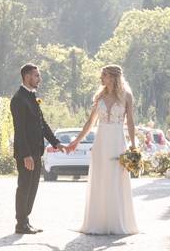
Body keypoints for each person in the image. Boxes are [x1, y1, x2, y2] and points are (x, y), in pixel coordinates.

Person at [66, 64, 139, 235]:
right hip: (101, 142)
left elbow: (131, 123)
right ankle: (98, 223)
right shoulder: (99, 97)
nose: (101, 78)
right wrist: (76, 141)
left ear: (113, 77)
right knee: (100, 178)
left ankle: (117, 223)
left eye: (104, 75)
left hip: (117, 141)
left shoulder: (126, 96)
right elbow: (90, 122)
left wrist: (134, 146)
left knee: (116, 179)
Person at [10, 63, 64, 235]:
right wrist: (26, 155)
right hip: (26, 154)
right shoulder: (19, 99)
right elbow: (19, 129)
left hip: (36, 151)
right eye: (36, 76)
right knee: (25, 186)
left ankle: (26, 221)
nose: (39, 79)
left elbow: (42, 125)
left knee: (33, 187)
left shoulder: (32, 97)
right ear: (27, 77)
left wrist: (56, 142)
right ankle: (20, 224)